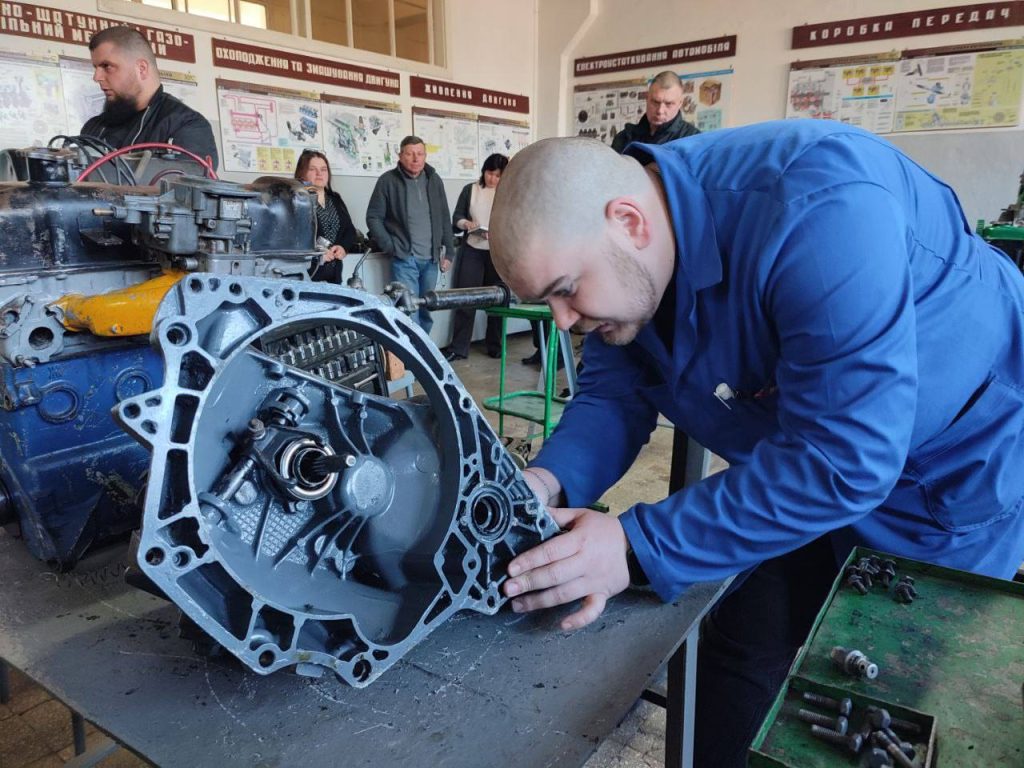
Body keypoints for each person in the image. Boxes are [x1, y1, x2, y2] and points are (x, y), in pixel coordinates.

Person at [488, 122, 1024, 768]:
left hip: (947, 475)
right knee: (739, 649)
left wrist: (634, 544)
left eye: (565, 290)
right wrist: (542, 485)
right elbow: (611, 399)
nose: (564, 322)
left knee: (881, 702)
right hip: (794, 463)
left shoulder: (819, 209)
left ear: (629, 222)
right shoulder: (629, 270)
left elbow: (844, 460)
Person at [82, 26, 219, 169]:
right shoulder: (93, 128)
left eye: (107, 66)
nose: (96, 77)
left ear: (141, 69)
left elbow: (188, 182)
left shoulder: (186, 125)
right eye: (96, 68)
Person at [366, 136, 454, 333]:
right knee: (408, 313)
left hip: (431, 260)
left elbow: (444, 217)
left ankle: (422, 352)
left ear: (425, 156)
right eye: (410, 154)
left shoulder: (434, 180)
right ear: (400, 156)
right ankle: (409, 353)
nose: (416, 158)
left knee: (427, 311)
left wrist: (449, 252)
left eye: (420, 154)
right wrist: (390, 246)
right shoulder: (387, 181)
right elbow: (373, 217)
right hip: (405, 259)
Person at [441, 153, 509, 362]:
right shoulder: (470, 190)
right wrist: (467, 224)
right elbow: (457, 217)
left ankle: (495, 345)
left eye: (498, 175)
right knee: (466, 298)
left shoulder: (509, 194)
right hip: (473, 248)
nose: (492, 179)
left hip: (498, 251)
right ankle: (459, 347)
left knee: (498, 299)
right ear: (483, 171)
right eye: (489, 173)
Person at [294, 150, 359, 284]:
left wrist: (343, 247)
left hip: (334, 275)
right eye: (313, 169)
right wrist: (317, 256)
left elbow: (350, 230)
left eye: (323, 169)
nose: (319, 173)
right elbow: (292, 240)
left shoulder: (335, 199)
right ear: (302, 174)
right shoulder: (296, 201)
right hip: (306, 277)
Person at [610, 70, 699, 154]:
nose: (660, 110)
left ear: (680, 103)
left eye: (668, 104)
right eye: (655, 102)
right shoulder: (624, 137)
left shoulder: (693, 140)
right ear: (647, 98)